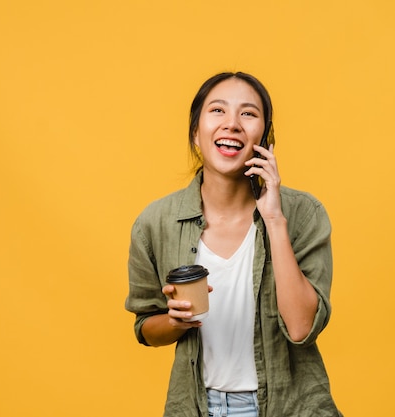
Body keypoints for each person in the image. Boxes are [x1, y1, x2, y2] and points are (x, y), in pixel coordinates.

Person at [125, 72, 342, 417]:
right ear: (196, 133)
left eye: (248, 113)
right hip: (197, 407)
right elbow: (146, 327)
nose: (232, 124)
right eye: (217, 111)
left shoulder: (303, 214)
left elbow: (302, 329)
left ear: (265, 139)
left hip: (291, 407)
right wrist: (174, 322)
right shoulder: (155, 223)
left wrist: (273, 219)